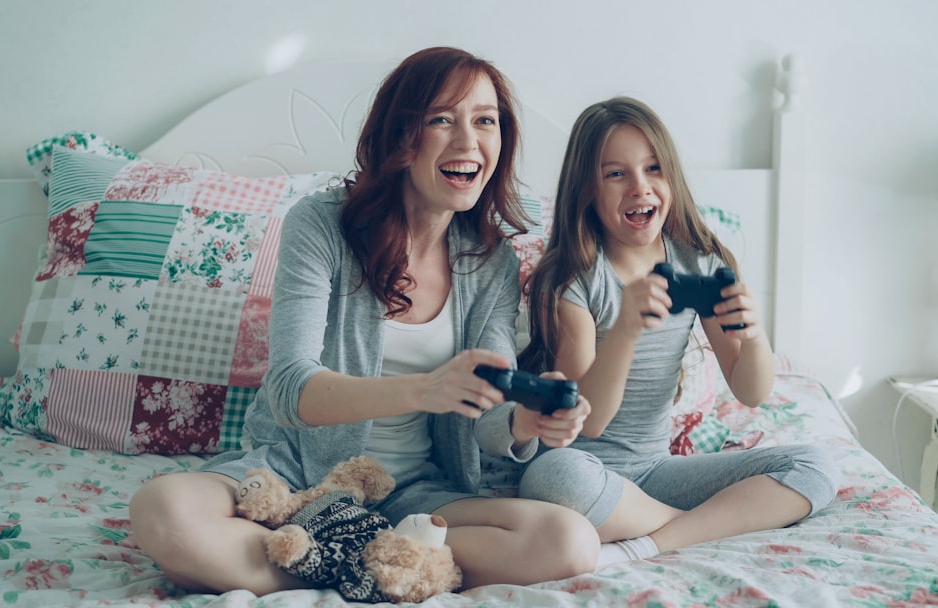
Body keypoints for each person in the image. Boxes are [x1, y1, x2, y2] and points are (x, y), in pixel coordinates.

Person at [129, 47, 599, 596]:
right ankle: (383, 567)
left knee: (570, 542)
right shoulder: (322, 225)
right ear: (401, 137)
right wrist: (424, 389)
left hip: (414, 494)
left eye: (485, 121)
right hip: (292, 475)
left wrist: (526, 424)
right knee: (161, 510)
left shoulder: (489, 261)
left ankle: (323, 560)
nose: (468, 141)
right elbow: (289, 390)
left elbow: (485, 415)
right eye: (441, 119)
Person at [515, 96, 837, 569]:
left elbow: (751, 391)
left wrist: (753, 334)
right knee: (554, 478)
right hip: (585, 468)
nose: (639, 187)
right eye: (615, 174)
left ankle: (651, 543)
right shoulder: (575, 279)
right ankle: (712, 522)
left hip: (656, 470)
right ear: (586, 189)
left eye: (653, 168)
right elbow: (590, 422)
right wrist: (625, 330)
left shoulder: (696, 260)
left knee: (815, 467)